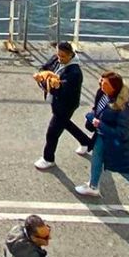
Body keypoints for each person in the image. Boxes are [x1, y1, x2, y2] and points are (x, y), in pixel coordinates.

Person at [75, 71, 129, 203]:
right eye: (101, 80)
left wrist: (100, 124)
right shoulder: (102, 93)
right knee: (96, 159)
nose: (101, 84)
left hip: (116, 143)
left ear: (114, 87)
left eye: (105, 83)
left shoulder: (122, 108)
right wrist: (93, 115)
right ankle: (93, 186)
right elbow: (98, 108)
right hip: (102, 136)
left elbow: (122, 132)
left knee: (120, 167)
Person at [33, 41, 91, 169]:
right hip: (57, 101)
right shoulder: (57, 58)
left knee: (52, 133)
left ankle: (48, 159)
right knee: (65, 123)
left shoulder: (75, 73)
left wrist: (48, 83)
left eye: (63, 57)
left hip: (66, 104)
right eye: (58, 55)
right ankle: (86, 142)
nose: (59, 59)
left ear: (71, 55)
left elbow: (61, 91)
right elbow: (44, 68)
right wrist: (43, 76)